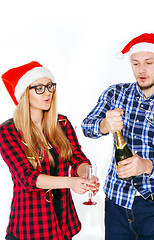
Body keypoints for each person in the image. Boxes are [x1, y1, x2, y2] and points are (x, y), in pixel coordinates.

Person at [82, 33, 154, 240]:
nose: (142, 70)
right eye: (136, 63)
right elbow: (86, 127)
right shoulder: (115, 93)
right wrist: (104, 125)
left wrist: (146, 166)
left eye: (148, 62)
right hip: (117, 201)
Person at [0, 61, 99, 240]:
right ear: (24, 94)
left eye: (49, 86)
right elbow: (26, 177)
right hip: (30, 226)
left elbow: (77, 158)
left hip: (62, 223)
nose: (48, 93)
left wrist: (85, 175)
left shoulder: (62, 124)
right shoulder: (7, 132)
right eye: (39, 88)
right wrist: (71, 182)